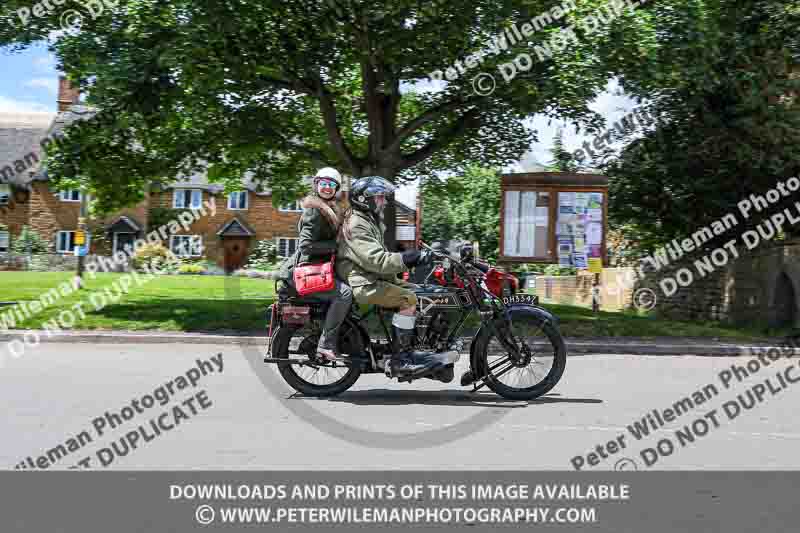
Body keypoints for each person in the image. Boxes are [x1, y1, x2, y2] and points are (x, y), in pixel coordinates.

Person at [337, 176, 445, 376]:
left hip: (372, 276)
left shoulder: (367, 219)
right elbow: (377, 261)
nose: (384, 201)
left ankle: (419, 346)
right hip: (364, 282)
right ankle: (401, 359)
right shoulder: (357, 224)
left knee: (424, 292)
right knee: (408, 299)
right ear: (364, 199)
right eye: (379, 197)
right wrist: (411, 257)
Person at [277, 167, 353, 361]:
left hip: (316, 269)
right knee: (344, 293)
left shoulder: (329, 209)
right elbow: (306, 246)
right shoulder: (314, 211)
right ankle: (326, 344)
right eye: (323, 184)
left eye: (331, 185)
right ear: (316, 184)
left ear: (336, 188)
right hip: (304, 273)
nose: (327, 188)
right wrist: (337, 246)